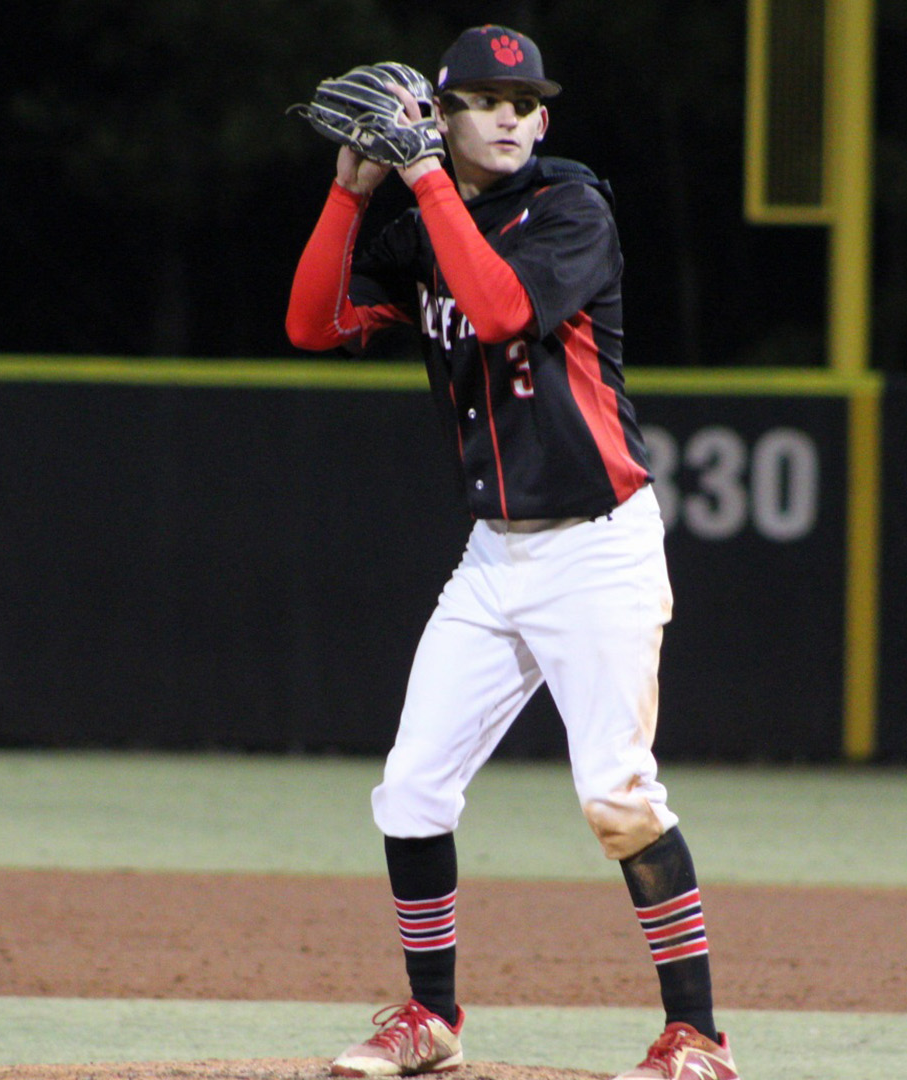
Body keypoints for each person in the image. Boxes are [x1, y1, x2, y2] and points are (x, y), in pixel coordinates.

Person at [285, 25, 737, 1080]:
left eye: (525, 100)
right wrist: (352, 191)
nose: (509, 115)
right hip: (496, 555)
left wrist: (425, 176)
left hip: (599, 547)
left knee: (618, 798)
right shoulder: (419, 218)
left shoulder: (572, 206)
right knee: (411, 789)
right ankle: (429, 1020)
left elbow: (497, 310)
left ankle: (699, 1040)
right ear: (442, 113)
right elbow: (312, 324)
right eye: (482, 97)